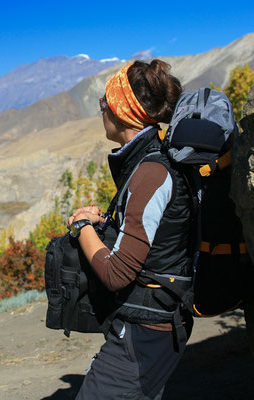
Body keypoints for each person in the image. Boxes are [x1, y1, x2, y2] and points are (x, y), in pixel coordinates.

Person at [67, 60, 192, 400]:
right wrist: (104, 225)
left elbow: (117, 273)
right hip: (153, 323)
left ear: (120, 111)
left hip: (144, 332)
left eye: (103, 103)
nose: (101, 111)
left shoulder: (150, 172)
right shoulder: (149, 160)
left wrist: (81, 228)